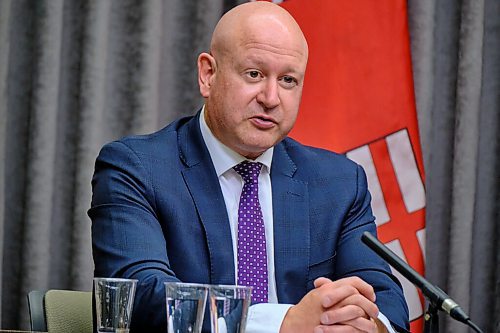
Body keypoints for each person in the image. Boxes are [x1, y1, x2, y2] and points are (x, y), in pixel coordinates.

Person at [89, 2, 410, 332]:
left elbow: (385, 300)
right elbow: (139, 295)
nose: (271, 98)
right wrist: (283, 324)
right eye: (254, 74)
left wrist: (368, 325)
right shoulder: (137, 168)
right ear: (208, 75)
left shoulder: (340, 183)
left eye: (288, 80)